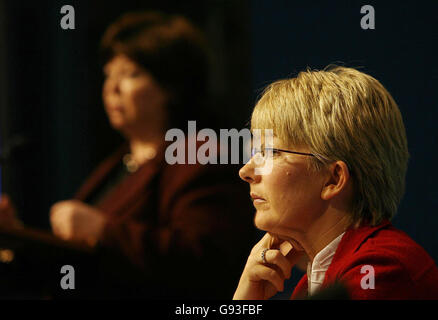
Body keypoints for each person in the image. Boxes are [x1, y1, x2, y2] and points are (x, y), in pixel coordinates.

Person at [0, 11, 255, 298]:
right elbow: (78, 265)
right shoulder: (117, 164)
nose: (112, 88)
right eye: (108, 74)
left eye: (130, 74)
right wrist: (16, 239)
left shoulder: (200, 157)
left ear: (171, 86)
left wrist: (103, 231)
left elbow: (206, 261)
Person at [233, 66, 438, 300]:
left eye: (270, 152)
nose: (246, 171)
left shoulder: (379, 273)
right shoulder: (318, 281)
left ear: (333, 179)